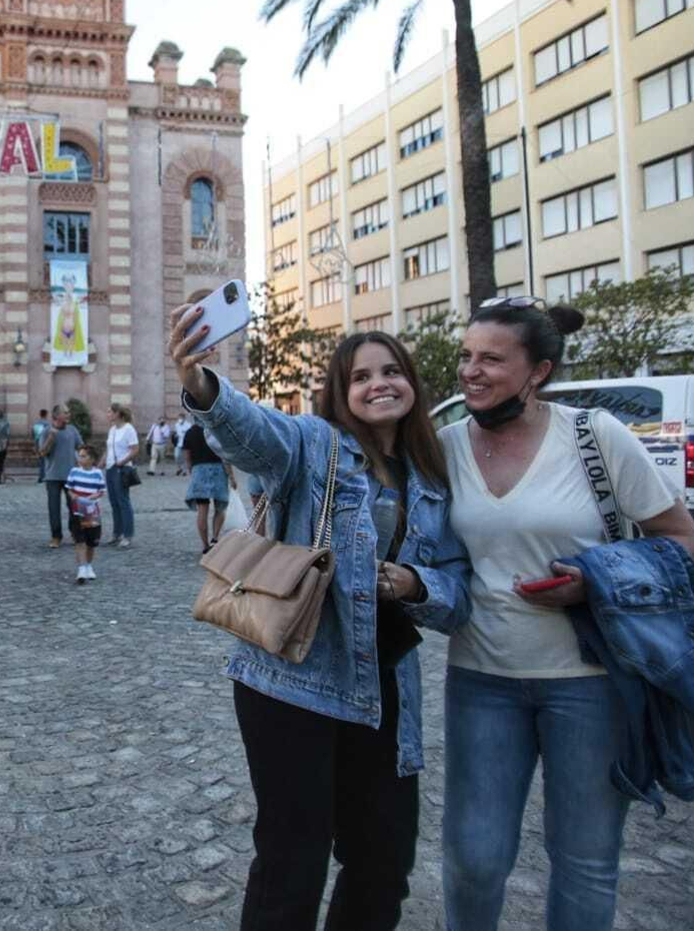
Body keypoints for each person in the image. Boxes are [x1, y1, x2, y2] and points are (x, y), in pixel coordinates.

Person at [170, 306, 474, 931]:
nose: (378, 384)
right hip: (291, 680)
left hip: (384, 689)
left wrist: (416, 583)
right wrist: (201, 384)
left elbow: (457, 590)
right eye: (361, 377)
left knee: (383, 861)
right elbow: (251, 433)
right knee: (292, 862)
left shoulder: (431, 476)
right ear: (341, 392)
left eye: (391, 371)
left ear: (412, 383)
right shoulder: (313, 444)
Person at [438, 298, 694, 931]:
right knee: (474, 859)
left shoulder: (593, 436)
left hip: (591, 683)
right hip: (481, 678)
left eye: (491, 359)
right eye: (466, 356)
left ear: (539, 371)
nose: (471, 371)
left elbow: (684, 540)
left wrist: (596, 583)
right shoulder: (444, 445)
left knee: (585, 860)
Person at [181, 417, 235, 555]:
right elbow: (224, 456)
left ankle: (205, 545)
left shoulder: (190, 432)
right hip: (218, 471)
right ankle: (215, 539)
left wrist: (191, 471)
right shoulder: (216, 430)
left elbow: (187, 456)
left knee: (202, 510)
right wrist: (231, 476)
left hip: (199, 470)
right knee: (220, 507)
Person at [37, 405, 82, 549]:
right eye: (65, 413)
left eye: (69, 412)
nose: (69, 414)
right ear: (56, 416)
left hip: (71, 477)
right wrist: (51, 438)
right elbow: (42, 453)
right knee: (54, 508)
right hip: (52, 476)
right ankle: (56, 537)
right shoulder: (46, 431)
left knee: (74, 507)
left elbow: (81, 447)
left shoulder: (72, 430)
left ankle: (75, 534)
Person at [65, 443, 107, 585]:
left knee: (91, 542)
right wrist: (73, 496)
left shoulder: (97, 473)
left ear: (92, 459)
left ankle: (88, 565)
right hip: (77, 512)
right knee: (79, 540)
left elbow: (101, 491)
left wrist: (94, 496)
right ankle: (81, 569)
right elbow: (69, 489)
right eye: (79, 456)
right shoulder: (74, 471)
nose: (80, 459)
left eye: (83, 456)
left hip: (92, 512)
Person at [103, 405, 139, 548]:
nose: (107, 414)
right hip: (110, 468)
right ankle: (116, 533)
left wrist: (122, 462)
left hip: (122, 468)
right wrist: (100, 464)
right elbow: (108, 449)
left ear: (117, 413)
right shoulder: (112, 429)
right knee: (114, 502)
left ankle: (127, 535)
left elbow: (135, 449)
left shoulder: (128, 429)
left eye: (109, 412)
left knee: (123, 501)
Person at [32, 409, 50, 483]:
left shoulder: (35, 424)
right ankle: (44, 476)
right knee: (46, 461)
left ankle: (40, 477)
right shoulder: (48, 424)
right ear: (46, 415)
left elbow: (33, 435)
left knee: (41, 462)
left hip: (37, 444)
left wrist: (35, 445)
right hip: (45, 444)